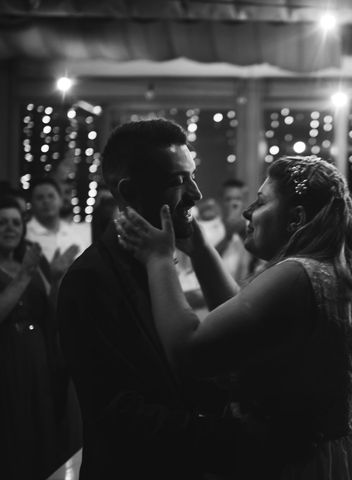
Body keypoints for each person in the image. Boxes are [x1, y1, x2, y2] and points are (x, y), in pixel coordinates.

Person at [115, 155, 352, 480]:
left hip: (299, 464)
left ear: (296, 218)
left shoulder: (298, 274)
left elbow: (189, 351)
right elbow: (246, 325)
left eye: (261, 202)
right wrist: (201, 248)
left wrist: (159, 258)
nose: (248, 212)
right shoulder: (335, 271)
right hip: (343, 457)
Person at [58, 119, 227, 480]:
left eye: (192, 176)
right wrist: (231, 435)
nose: (196, 193)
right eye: (178, 181)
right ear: (130, 192)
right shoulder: (89, 279)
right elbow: (117, 411)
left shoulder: (158, 260)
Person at [0, 196, 60, 479]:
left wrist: (57, 275)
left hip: (38, 357)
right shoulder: (27, 265)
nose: (10, 228)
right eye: (1, 223)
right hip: (7, 357)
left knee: (40, 427)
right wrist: (24, 274)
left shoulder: (34, 260)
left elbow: (52, 307)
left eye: (15, 222)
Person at [26, 178, 90, 279]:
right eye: (40, 198)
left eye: (51, 196)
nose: (46, 201)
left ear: (60, 200)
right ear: (31, 204)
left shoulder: (76, 233)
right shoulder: (25, 234)